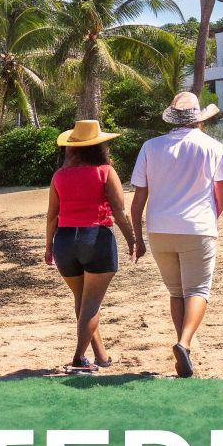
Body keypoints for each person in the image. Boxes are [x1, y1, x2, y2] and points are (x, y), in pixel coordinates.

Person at [128, 92, 223, 378]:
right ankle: (185, 343)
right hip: (197, 227)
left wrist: (138, 238)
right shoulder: (213, 147)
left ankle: (183, 347)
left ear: (172, 118)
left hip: (159, 229)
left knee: (176, 292)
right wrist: (209, 218)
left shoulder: (151, 147)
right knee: (198, 290)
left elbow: (138, 201)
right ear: (198, 119)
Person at [44, 119, 138, 373]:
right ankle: (78, 358)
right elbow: (120, 212)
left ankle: (101, 356)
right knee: (91, 305)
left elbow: (52, 215)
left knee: (83, 302)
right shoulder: (104, 171)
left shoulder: (59, 175)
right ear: (99, 147)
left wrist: (48, 247)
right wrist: (133, 241)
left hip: (64, 241)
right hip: (95, 238)